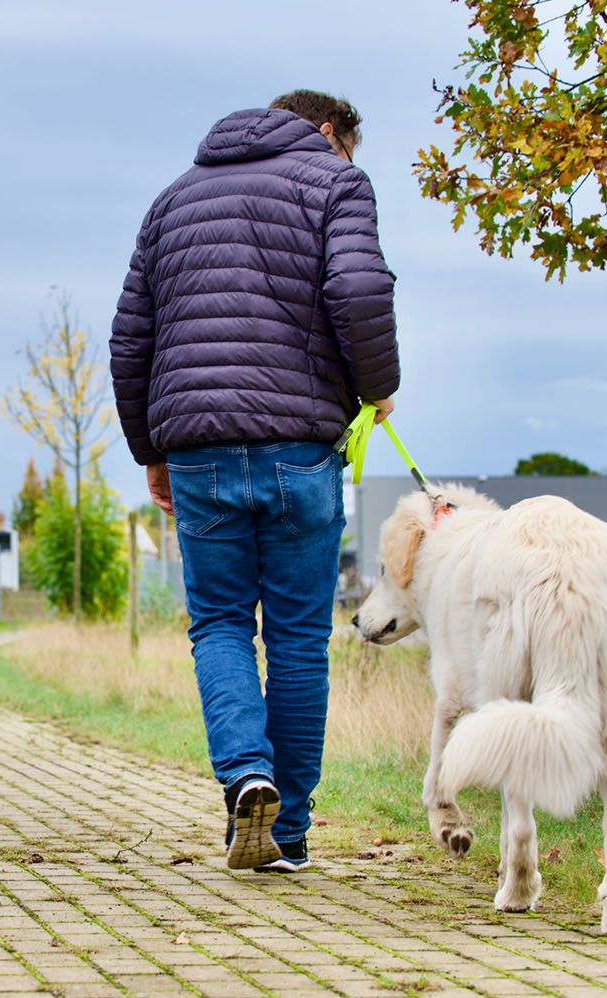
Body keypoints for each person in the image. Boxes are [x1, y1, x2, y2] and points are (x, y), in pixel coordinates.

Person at [110, 90, 399, 872]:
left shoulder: (174, 198)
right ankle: (291, 834)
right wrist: (379, 385)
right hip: (298, 445)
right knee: (300, 639)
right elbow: (360, 289)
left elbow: (130, 336)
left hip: (197, 447)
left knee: (221, 625)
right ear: (330, 132)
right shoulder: (337, 182)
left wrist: (151, 451)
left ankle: (248, 773)